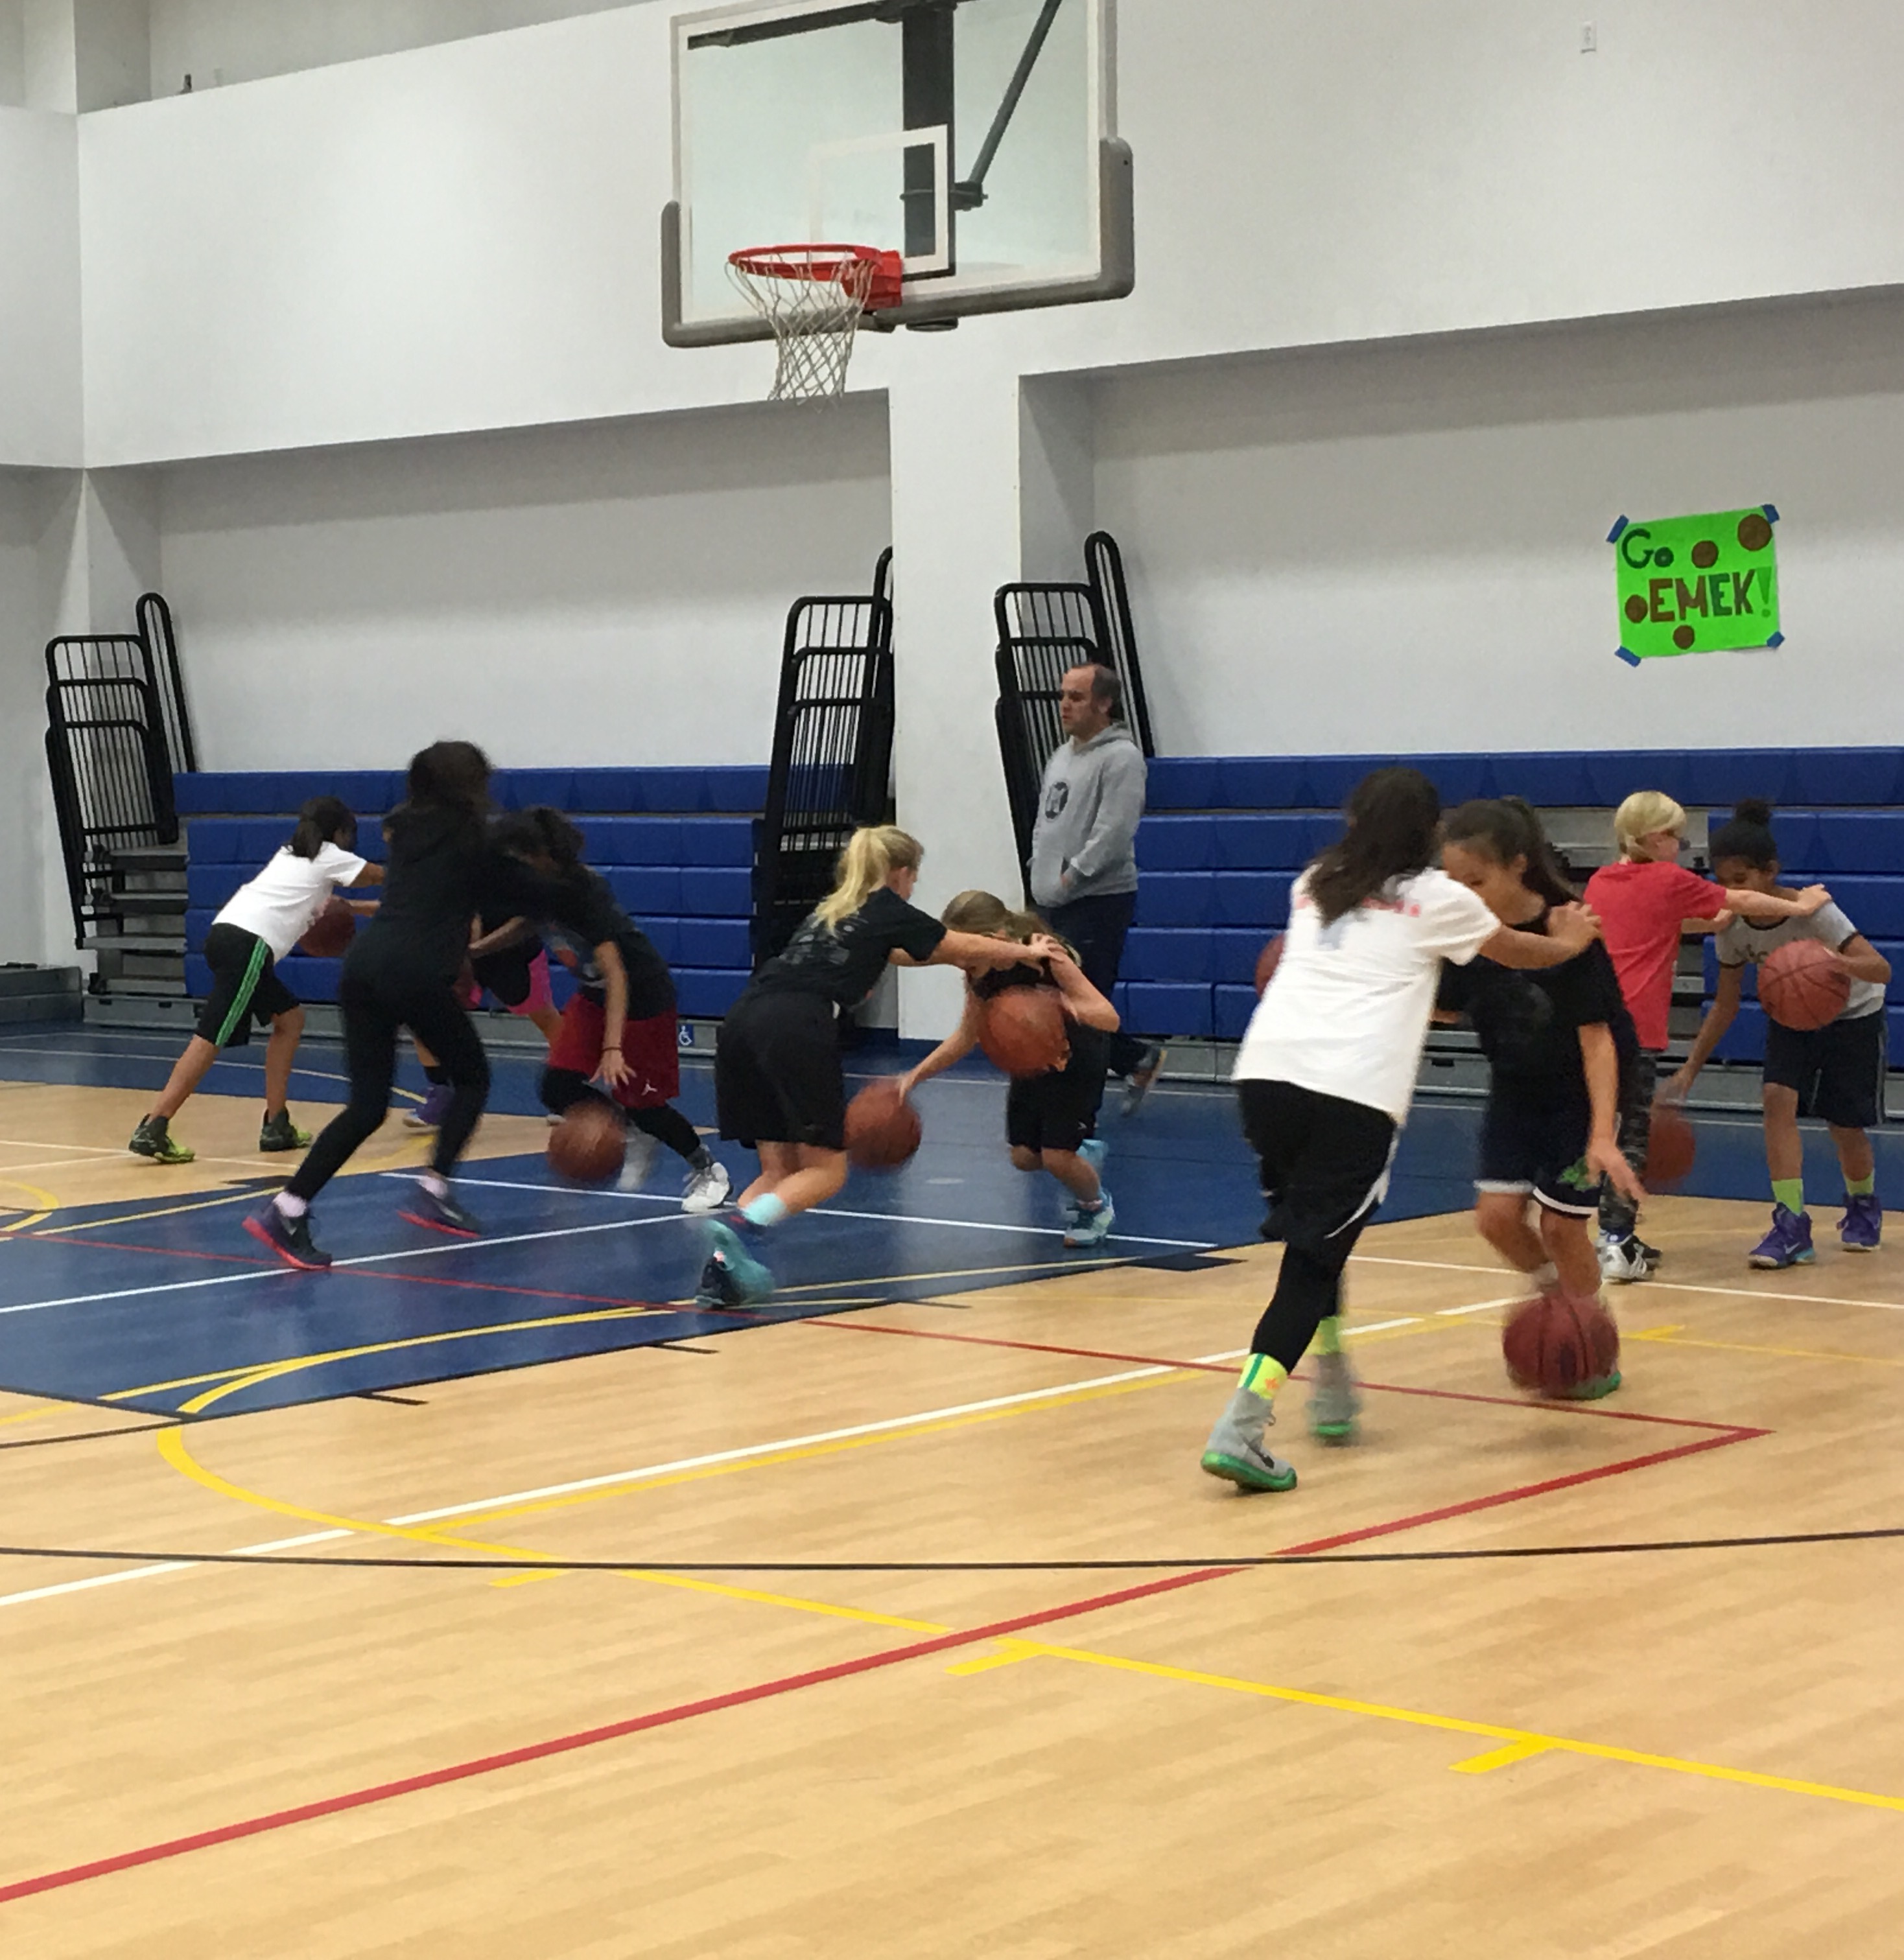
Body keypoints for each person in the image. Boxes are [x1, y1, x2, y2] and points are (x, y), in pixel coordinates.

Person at [1199, 766, 1604, 1494]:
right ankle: (1244, 1426)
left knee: (1314, 1242)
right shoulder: (1438, 896)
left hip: (1264, 1078)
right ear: (1430, 832)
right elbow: (1517, 952)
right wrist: (1569, 946)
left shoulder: (1314, 880)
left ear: (1355, 822)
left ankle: (1331, 1376)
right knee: (1311, 1264)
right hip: (1351, 1093)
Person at [245, 742, 585, 1270]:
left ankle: (287, 1208)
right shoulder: (474, 838)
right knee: (472, 1078)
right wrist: (567, 888)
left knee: (366, 1107)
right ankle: (434, 1188)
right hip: (415, 971)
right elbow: (524, 890)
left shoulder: (404, 831)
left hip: (363, 968)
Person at [696, 826, 1035, 1310]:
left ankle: (721, 1272)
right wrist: (1026, 951)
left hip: (743, 1022)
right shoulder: (887, 908)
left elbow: (913, 953)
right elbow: (964, 947)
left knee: (779, 1170)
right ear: (901, 874)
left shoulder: (830, 909)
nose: (913, 888)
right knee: (827, 1171)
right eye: (914, 878)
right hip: (795, 1026)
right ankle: (744, 1223)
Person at [1584, 789, 1832, 1283]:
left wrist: (1717, 917)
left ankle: (1605, 1231)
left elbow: (1703, 917)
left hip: (1592, 1023)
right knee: (1631, 1137)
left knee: (1599, 1130)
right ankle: (1614, 1240)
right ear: (1656, 838)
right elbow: (1738, 900)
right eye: (1675, 838)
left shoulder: (1602, 881)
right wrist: (1802, 905)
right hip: (1635, 1027)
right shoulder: (1666, 878)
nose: (1679, 847)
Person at [1439, 799, 1643, 1397]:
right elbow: (1442, 1007)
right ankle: (1564, 1311)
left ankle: (1592, 1346)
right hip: (1515, 1088)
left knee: (1560, 1227)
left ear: (1517, 866)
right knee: (1495, 1220)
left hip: (1579, 1094)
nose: (1464, 895)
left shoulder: (1569, 930)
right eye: (1453, 883)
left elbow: (1598, 1042)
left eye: (1476, 881)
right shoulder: (1465, 936)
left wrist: (1602, 1134)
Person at [1665, 799, 1891, 1267]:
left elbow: (1880, 968)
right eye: (1722, 882)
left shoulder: (1813, 912)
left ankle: (1862, 1203)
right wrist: (1690, 1068)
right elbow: (1726, 1004)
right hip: (1791, 1017)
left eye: (1740, 880)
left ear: (1770, 872)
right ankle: (1791, 1224)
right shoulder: (1730, 926)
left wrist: (1834, 963)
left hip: (1852, 1016)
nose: (1730, 891)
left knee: (1845, 1126)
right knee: (1775, 1100)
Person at [495, 806, 731, 1212]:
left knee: (645, 1104)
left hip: (641, 996)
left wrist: (612, 1048)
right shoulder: (537, 890)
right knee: (556, 1087)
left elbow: (617, 973)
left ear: (542, 855)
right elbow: (527, 923)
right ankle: (632, 1127)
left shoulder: (583, 892)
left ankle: (709, 1170)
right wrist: (476, 950)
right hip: (594, 995)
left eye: (518, 858)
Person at [129, 797, 380, 1166]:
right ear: (341, 831)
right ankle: (155, 1124)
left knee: (290, 1020)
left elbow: (336, 901)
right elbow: (376, 876)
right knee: (211, 1035)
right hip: (248, 946)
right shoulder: (329, 856)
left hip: (227, 936)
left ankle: (277, 1124)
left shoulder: (291, 855)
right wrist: (420, 877)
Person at [898, 892, 1120, 1248]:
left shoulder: (1046, 956)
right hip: (1029, 1063)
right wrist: (915, 1076)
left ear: (995, 939)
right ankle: (1082, 1158)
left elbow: (1109, 1018)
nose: (960, 961)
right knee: (1024, 1158)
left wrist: (1059, 1006)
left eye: (966, 950)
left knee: (1057, 1156)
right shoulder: (978, 974)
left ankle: (1095, 1207)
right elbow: (966, 1036)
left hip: (1074, 1059)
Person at [1028, 663, 1165, 1114]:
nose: (1064, 705)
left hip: (1098, 900)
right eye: (1062, 695)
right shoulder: (1060, 756)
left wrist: (1073, 876)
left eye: (1077, 697)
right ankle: (1135, 1058)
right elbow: (1046, 822)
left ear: (1104, 703)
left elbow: (1114, 832)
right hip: (1052, 898)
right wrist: (1039, 871)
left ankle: (1077, 1115)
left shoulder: (1121, 758)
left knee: (1081, 1004)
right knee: (1054, 998)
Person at [405, 917, 563, 1133]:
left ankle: (570, 1088)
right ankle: (440, 1092)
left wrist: (476, 946)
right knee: (426, 1014)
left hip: (512, 950)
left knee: (546, 1019)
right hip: (460, 951)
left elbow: (524, 919)